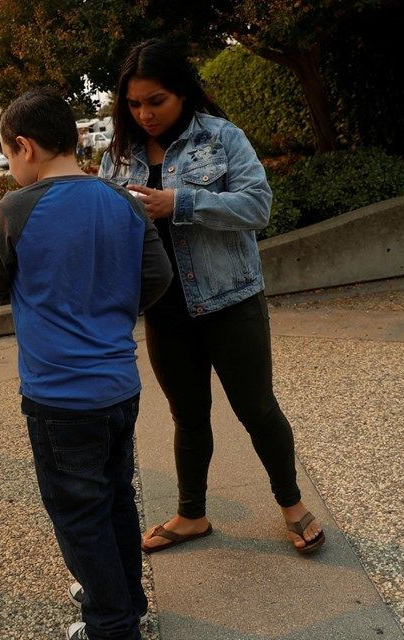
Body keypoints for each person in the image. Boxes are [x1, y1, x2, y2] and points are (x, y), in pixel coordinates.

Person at [0, 89, 172, 640]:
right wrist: (108, 315)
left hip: (59, 396)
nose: (10, 167)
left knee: (79, 512)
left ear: (25, 147)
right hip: (119, 385)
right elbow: (158, 277)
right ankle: (127, 599)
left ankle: (111, 624)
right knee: (115, 497)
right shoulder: (123, 201)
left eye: (8, 155)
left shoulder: (19, 209)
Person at [99, 39, 325, 556]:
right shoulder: (118, 156)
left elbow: (258, 206)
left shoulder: (221, 137)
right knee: (188, 417)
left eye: (156, 101)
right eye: (134, 104)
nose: (144, 114)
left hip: (230, 302)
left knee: (257, 409)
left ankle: (292, 505)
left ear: (182, 91)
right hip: (165, 311)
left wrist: (180, 202)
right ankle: (192, 514)